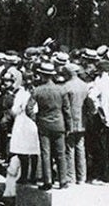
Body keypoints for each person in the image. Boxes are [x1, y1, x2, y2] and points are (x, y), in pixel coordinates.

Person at [27, 62, 70, 191]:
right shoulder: (61, 90)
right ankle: (63, 180)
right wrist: (69, 126)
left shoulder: (38, 90)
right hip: (59, 123)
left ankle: (48, 181)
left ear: (42, 75)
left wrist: (36, 119)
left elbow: (28, 108)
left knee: (46, 153)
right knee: (61, 153)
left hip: (43, 124)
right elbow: (67, 110)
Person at [62, 64, 91, 185]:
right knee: (81, 148)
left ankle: (71, 176)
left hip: (70, 121)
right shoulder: (85, 86)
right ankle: (82, 177)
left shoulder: (66, 87)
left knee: (70, 149)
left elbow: (65, 107)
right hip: (82, 120)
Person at [8, 73, 39, 185]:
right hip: (34, 122)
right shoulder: (37, 91)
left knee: (23, 150)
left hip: (23, 122)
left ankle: (24, 176)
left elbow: (15, 109)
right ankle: (33, 175)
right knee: (34, 150)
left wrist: (14, 111)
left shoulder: (21, 93)